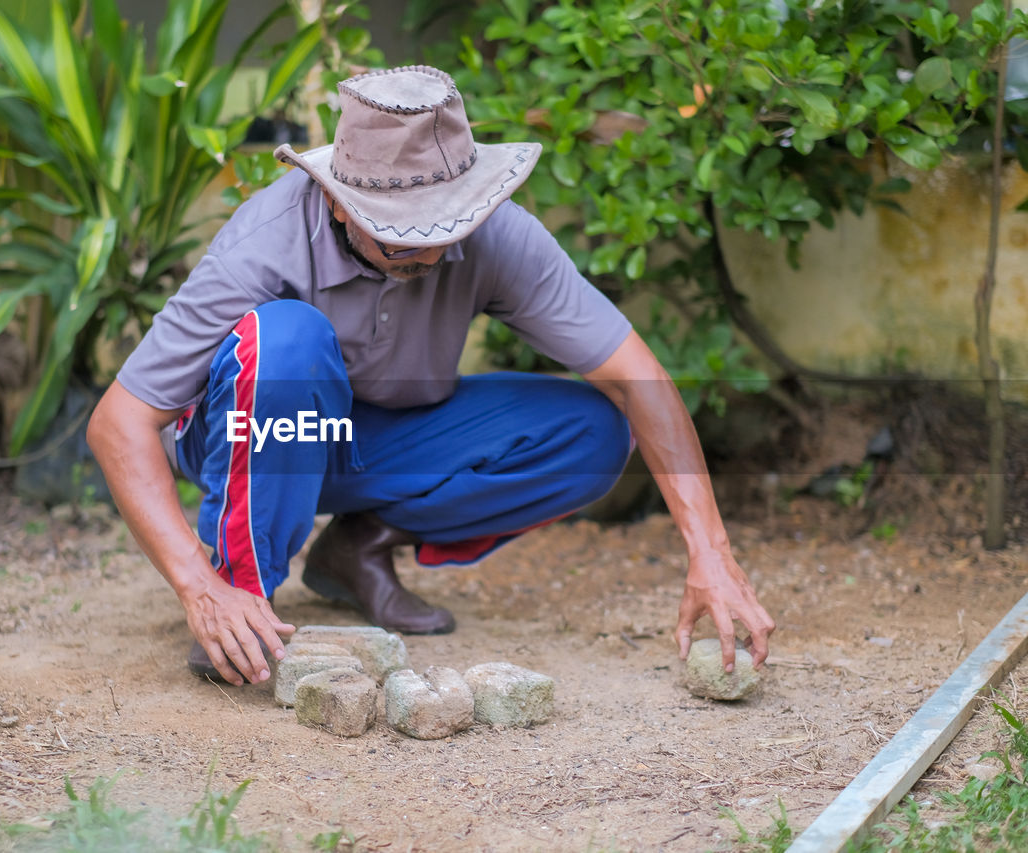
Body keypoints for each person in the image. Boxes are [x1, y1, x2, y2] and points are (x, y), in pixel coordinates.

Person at [87, 65, 775, 687]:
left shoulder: (494, 234)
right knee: (287, 339)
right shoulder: (265, 240)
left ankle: (358, 548)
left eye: (443, 227)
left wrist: (710, 552)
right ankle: (241, 593)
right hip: (251, 427)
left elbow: (638, 378)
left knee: (595, 432)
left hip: (373, 439)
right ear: (336, 201)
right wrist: (197, 584)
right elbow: (119, 422)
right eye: (398, 232)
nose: (426, 247)